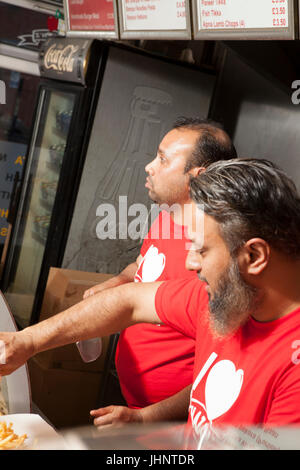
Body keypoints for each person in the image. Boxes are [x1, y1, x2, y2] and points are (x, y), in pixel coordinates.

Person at [1, 158, 300, 446]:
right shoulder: (225, 298)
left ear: (254, 256)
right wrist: (26, 342)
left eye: (201, 250)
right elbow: (129, 301)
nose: (189, 263)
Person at [81, 117, 237, 421]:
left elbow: (218, 366)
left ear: (198, 176)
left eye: (163, 159)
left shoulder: (217, 246)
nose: (149, 166)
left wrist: (147, 417)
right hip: (129, 396)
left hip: (167, 420)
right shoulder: (169, 213)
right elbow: (144, 264)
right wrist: (117, 283)